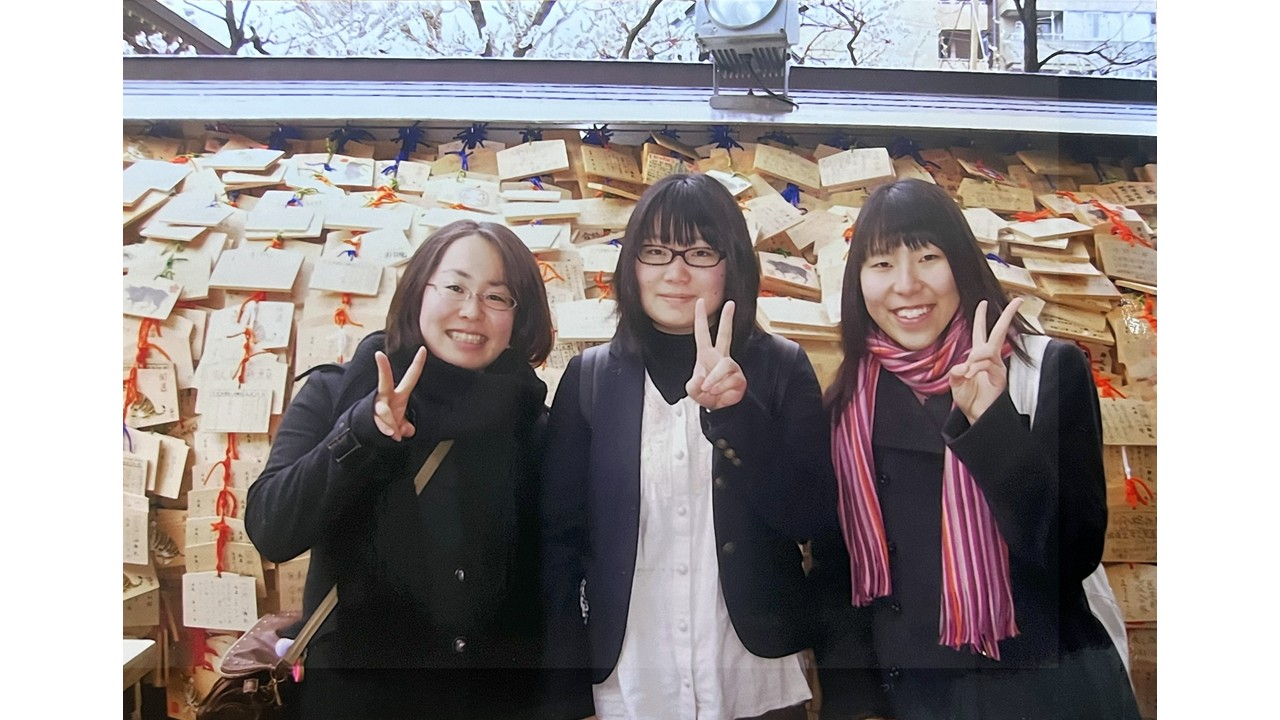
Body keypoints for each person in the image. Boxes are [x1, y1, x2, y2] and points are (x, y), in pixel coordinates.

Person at [811, 179, 1140, 719]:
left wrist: (993, 425)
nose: (906, 285)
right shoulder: (848, 401)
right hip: (912, 697)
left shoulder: (1045, 370)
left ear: (961, 263)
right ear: (858, 281)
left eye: (928, 257)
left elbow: (1072, 554)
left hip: (1041, 693)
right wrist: (854, 702)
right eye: (882, 264)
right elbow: (836, 572)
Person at [539, 173, 840, 720]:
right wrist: (565, 692)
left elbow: (810, 517)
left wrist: (737, 417)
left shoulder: (781, 368)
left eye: (700, 252)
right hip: (631, 683)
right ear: (631, 264)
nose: (676, 272)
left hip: (752, 678)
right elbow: (559, 544)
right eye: (655, 251)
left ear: (733, 264)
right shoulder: (590, 380)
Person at [245, 219, 555, 720]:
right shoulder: (335, 394)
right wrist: (361, 431)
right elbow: (272, 530)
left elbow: (556, 571)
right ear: (418, 292)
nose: (471, 311)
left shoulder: (532, 424)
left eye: (497, 297)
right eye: (455, 287)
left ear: (520, 318)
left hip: (493, 701)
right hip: (359, 701)